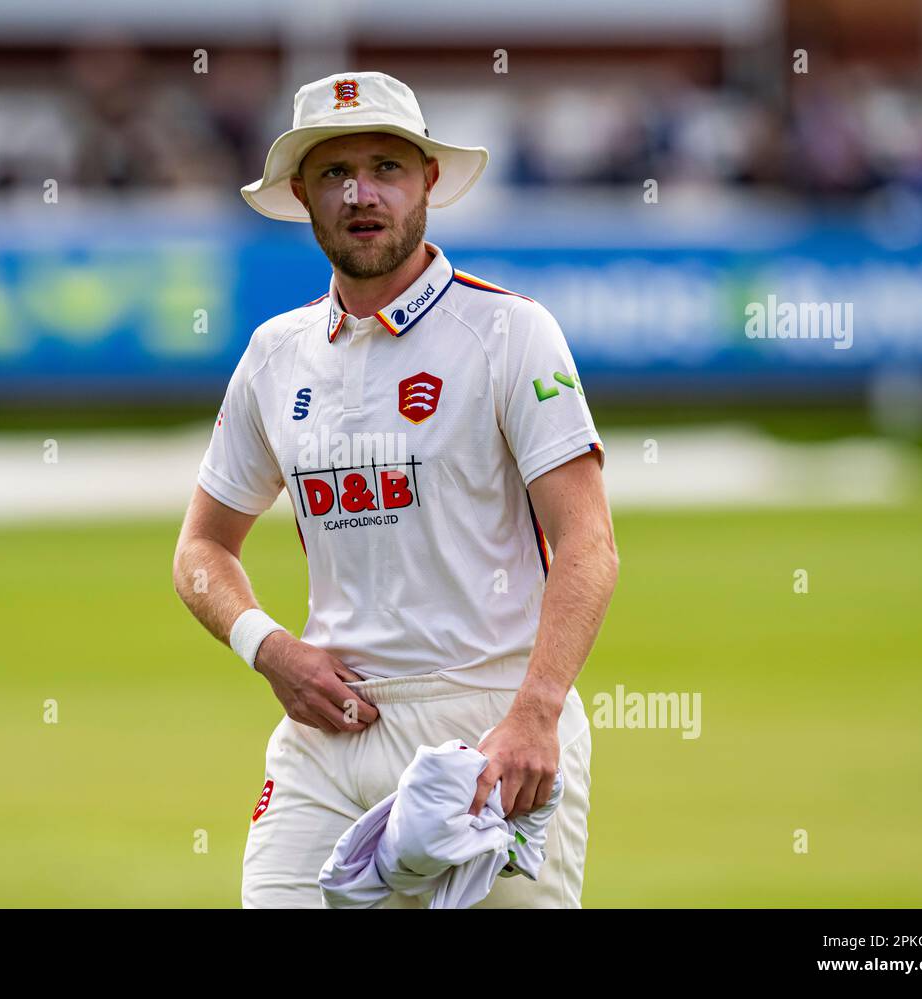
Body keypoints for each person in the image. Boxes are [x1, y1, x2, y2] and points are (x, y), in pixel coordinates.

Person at [172, 71, 618, 908]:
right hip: (326, 734)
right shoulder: (275, 353)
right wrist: (268, 648)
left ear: (429, 181)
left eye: (386, 167)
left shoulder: (509, 331)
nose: (362, 194)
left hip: (489, 723)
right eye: (336, 175)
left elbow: (588, 543)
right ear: (302, 195)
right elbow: (201, 547)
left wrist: (537, 713)